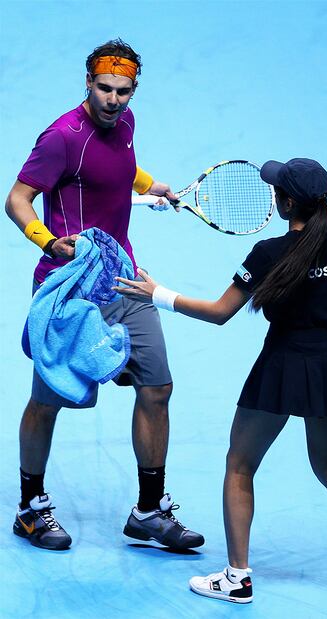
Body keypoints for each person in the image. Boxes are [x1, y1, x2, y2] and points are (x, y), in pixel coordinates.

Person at [113, 158, 327, 603]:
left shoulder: (268, 254)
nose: (271, 193)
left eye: (276, 189)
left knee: (239, 465)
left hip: (280, 369)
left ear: (286, 202)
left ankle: (237, 577)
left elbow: (219, 313)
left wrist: (158, 295)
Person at [5, 38, 204, 552]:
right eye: (104, 89)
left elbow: (121, 168)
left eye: (124, 91)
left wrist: (151, 185)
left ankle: (149, 513)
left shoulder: (126, 124)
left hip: (122, 277)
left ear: (134, 89)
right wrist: (49, 242)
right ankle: (30, 509)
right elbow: (17, 200)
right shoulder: (62, 138)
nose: (113, 100)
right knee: (48, 401)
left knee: (157, 387)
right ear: (87, 83)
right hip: (69, 289)